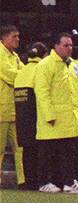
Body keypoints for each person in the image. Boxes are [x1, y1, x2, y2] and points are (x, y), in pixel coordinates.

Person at [34, 32, 78, 193]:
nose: (69, 48)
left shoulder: (72, 65)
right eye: (66, 45)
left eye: (71, 45)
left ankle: (68, 182)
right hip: (54, 118)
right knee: (48, 152)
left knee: (68, 152)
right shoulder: (46, 65)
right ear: (56, 46)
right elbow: (42, 91)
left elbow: (76, 92)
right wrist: (49, 115)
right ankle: (44, 182)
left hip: (69, 117)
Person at [12, 41, 44, 190]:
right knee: (38, 151)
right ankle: (37, 181)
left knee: (26, 150)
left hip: (21, 116)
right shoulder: (41, 70)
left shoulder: (22, 71)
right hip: (35, 116)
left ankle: (28, 181)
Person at [0, 25, 23, 188]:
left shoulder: (14, 56)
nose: (17, 39)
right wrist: (24, 76)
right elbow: (12, 76)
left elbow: (23, 73)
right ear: (5, 37)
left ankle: (23, 180)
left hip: (15, 110)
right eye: (14, 36)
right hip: (1, 110)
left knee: (20, 148)